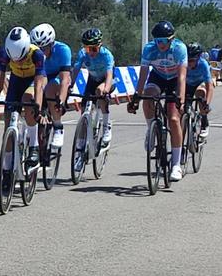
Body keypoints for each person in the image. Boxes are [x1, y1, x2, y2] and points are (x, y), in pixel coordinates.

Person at [127, 20, 187, 182]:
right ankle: (151, 129)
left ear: (171, 39)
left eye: (164, 41)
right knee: (148, 95)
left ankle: (176, 165)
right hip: (158, 77)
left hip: (174, 80)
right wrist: (136, 97)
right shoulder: (149, 50)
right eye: (157, 41)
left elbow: (182, 77)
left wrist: (180, 98)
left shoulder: (179, 49)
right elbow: (143, 76)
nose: (160, 45)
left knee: (174, 119)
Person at [0, 26, 46, 184]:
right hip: (16, 81)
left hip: (34, 80)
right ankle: (6, 170)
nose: (18, 61)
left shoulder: (36, 54)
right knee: (8, 129)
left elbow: (39, 85)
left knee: (28, 98)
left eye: (21, 58)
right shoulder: (5, 53)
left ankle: (34, 147)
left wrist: (37, 106)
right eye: (15, 60)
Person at [30, 23, 72, 148]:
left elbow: (64, 79)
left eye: (44, 48)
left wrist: (61, 101)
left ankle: (58, 127)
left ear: (52, 44)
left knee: (50, 89)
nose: (41, 53)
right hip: (40, 75)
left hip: (57, 76)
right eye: (38, 49)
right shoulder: (32, 52)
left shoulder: (63, 50)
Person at [72, 28, 115, 146]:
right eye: (87, 48)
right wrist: (69, 86)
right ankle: (80, 142)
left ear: (100, 45)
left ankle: (106, 127)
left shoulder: (106, 55)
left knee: (100, 91)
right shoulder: (82, 54)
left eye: (94, 49)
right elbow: (75, 71)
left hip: (106, 80)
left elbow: (109, 75)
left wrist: (106, 90)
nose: (90, 52)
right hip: (92, 79)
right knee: (84, 108)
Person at [184, 42, 214, 139]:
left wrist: (207, 103)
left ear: (198, 58)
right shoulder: (183, 64)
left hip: (200, 83)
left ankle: (204, 121)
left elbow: (209, 86)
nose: (189, 63)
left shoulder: (203, 65)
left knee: (201, 92)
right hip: (187, 84)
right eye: (187, 60)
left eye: (192, 60)